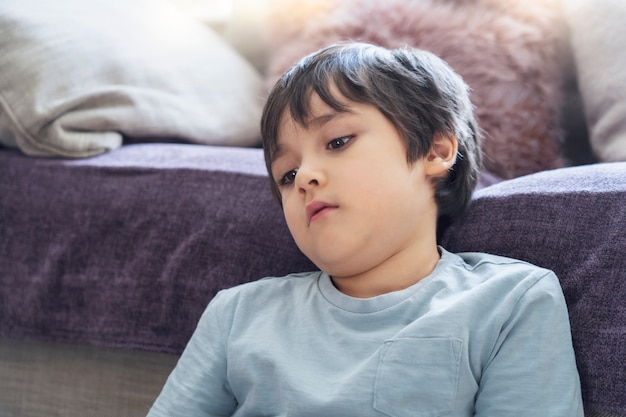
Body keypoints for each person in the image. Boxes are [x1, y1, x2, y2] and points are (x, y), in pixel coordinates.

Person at [147, 42, 583, 416]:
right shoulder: (237, 315)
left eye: (337, 142)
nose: (303, 178)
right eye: (286, 174)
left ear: (436, 149)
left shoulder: (510, 302)